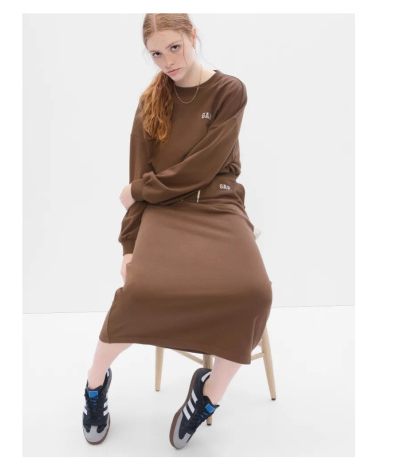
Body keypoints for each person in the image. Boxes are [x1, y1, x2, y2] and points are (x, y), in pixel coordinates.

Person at [82, 13, 273, 449]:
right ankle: (94, 385)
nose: (168, 60)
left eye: (175, 47)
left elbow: (202, 167)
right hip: (165, 211)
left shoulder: (229, 91)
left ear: (193, 36)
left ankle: (207, 397)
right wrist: (129, 244)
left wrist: (138, 191)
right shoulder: (151, 103)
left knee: (255, 293)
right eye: (156, 53)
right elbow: (138, 174)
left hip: (219, 203)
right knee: (138, 292)